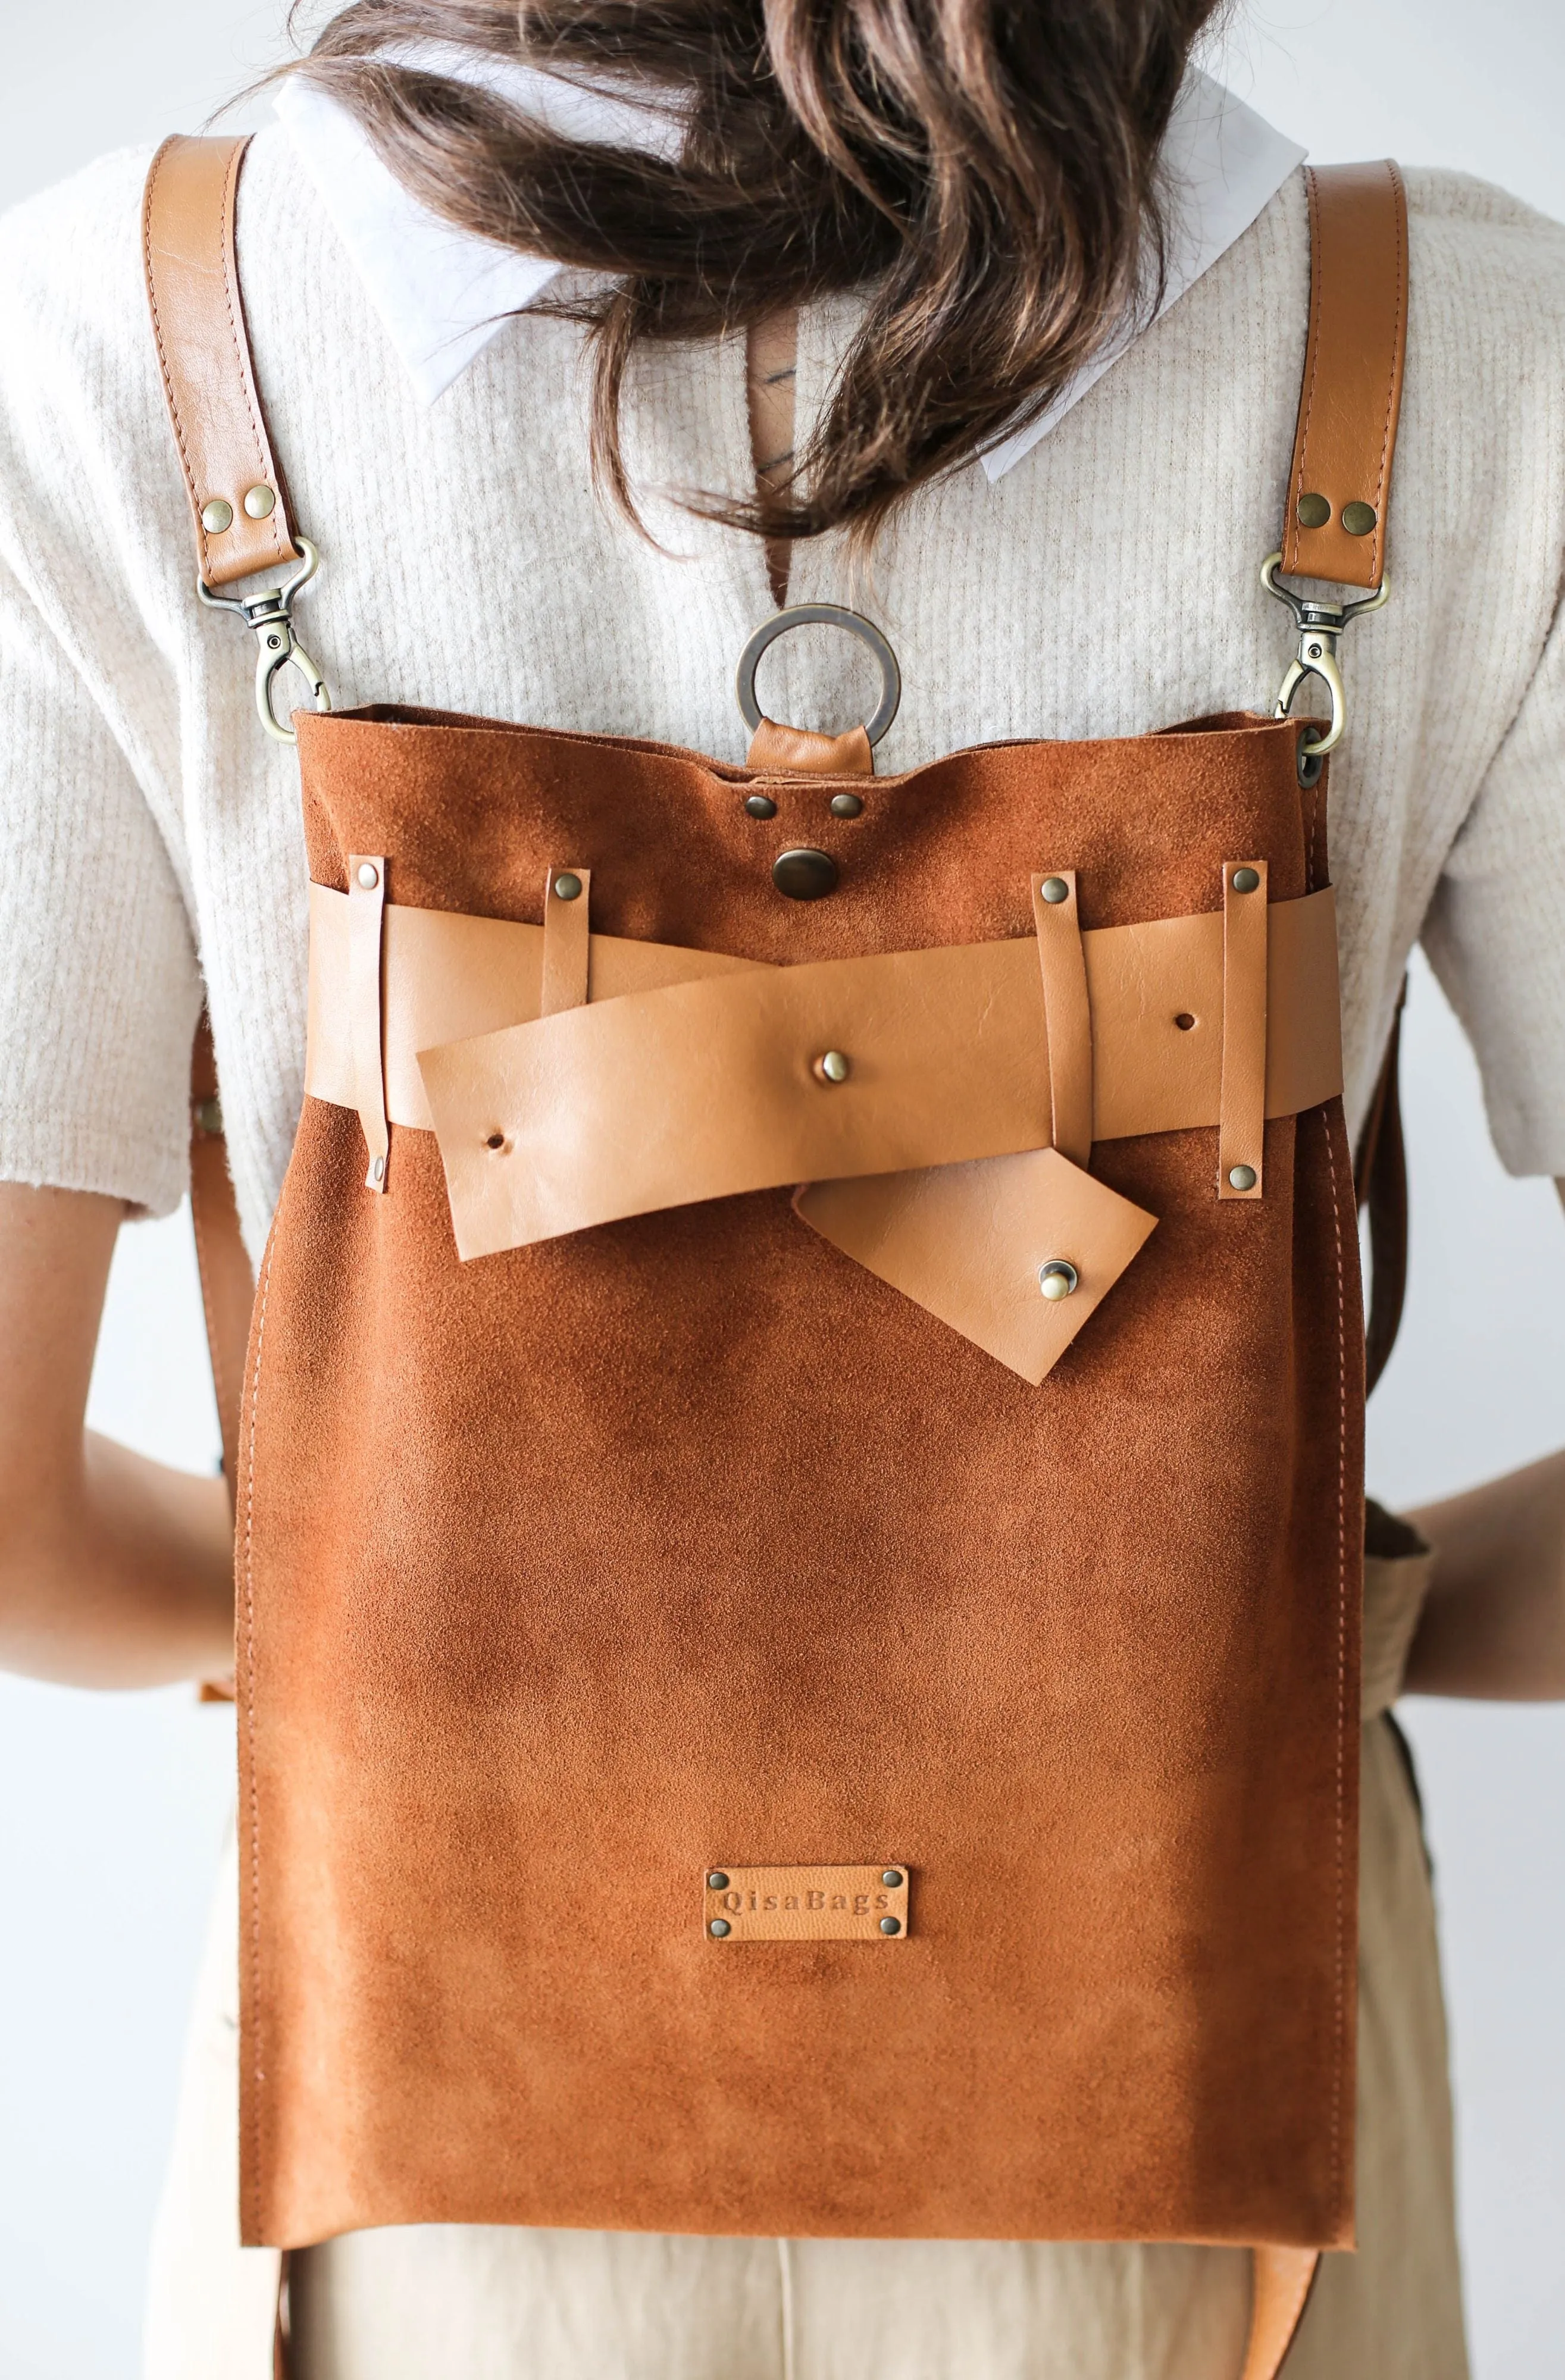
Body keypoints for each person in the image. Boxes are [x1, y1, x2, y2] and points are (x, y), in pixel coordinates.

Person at [1, 4, 1563, 2376]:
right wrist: (1285, 1624)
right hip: (1203, 2155)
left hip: (420, 2141)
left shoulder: (132, 328)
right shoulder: (1449, 347)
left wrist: (389, 1615)